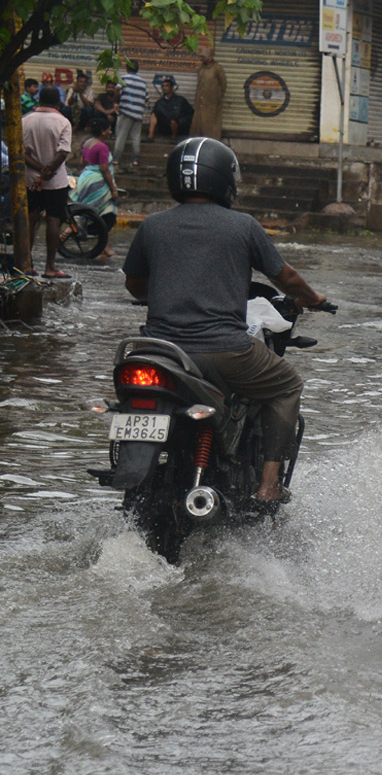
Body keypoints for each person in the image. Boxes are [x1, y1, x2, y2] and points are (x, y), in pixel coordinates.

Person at [122, 137, 327, 503]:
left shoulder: (152, 226)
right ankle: (268, 487)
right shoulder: (243, 226)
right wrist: (311, 299)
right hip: (224, 350)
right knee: (287, 386)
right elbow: (286, 277)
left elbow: (136, 284)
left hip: (161, 351)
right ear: (225, 179)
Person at [22, 86, 73, 279]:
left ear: (39, 100)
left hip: (29, 180)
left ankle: (26, 265)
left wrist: (39, 173)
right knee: (53, 220)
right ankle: (50, 267)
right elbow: (62, 152)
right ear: (58, 102)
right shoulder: (63, 122)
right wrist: (46, 174)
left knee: (30, 219)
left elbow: (22, 153)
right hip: (55, 182)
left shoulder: (25, 120)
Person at [72, 115, 121, 259]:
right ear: (102, 131)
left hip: (85, 178)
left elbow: (83, 161)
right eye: (108, 130)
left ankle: (103, 247)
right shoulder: (102, 147)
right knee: (106, 214)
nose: (110, 132)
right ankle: (105, 248)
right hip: (98, 183)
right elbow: (105, 169)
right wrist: (113, 189)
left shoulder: (88, 143)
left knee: (87, 213)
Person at [112, 60, 148, 166]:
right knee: (136, 137)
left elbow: (117, 90)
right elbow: (146, 98)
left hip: (126, 111)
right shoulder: (143, 82)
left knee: (121, 136)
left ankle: (116, 159)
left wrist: (115, 102)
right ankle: (135, 160)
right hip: (138, 113)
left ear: (127, 68)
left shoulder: (124, 78)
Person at [191, 46, 226, 140]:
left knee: (211, 128)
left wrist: (216, 97)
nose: (201, 59)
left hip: (212, 104)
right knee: (197, 126)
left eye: (203, 57)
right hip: (200, 103)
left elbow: (223, 85)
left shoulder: (217, 69)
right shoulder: (201, 68)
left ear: (209, 58)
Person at [147, 77, 193, 142]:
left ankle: (174, 138)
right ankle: (150, 136)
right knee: (154, 114)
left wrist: (182, 120)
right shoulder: (160, 102)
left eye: (167, 86)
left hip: (178, 128)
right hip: (164, 127)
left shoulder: (180, 100)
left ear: (172, 88)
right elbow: (155, 114)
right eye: (163, 86)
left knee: (174, 121)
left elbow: (191, 113)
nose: (164, 88)